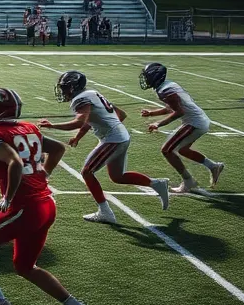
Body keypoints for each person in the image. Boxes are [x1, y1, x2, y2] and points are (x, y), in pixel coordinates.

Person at [0, 88, 95, 305]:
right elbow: (57, 149)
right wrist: (45, 171)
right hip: (47, 204)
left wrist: (7, 198)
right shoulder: (28, 127)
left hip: (25, 207)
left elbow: (14, 162)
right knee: (24, 266)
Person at [40, 70, 170, 223]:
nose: (63, 91)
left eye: (65, 87)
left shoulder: (80, 100)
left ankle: (105, 212)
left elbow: (79, 122)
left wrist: (52, 125)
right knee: (117, 176)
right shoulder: (92, 93)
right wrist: (80, 136)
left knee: (87, 172)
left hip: (113, 139)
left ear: (74, 87)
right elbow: (120, 114)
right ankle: (157, 184)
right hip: (119, 137)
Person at [138, 63, 225, 193]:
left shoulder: (165, 90)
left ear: (155, 77)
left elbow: (179, 112)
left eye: (147, 76)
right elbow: (171, 107)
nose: (145, 79)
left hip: (195, 123)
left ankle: (188, 181)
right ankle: (213, 166)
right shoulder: (167, 86)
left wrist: (158, 123)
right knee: (183, 150)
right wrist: (152, 113)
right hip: (197, 121)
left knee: (167, 150)